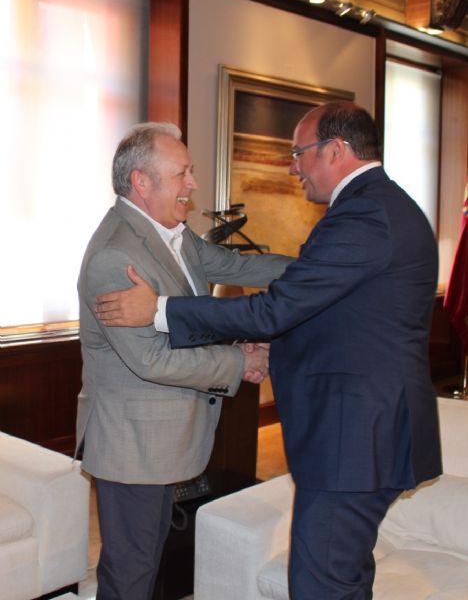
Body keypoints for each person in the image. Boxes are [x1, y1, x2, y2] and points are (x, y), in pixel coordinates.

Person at [95, 102, 442, 599]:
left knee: (324, 582)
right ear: (143, 182)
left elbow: (276, 305)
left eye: (299, 152)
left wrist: (160, 310)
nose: (292, 165)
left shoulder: (364, 215)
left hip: (356, 439)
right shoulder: (379, 206)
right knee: (336, 575)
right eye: (182, 172)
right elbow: (336, 315)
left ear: (336, 150)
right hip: (143, 443)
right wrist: (261, 343)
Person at [77, 121, 291, 600]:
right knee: (129, 574)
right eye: (183, 173)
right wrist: (240, 363)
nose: (192, 184)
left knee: (147, 566)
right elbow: (151, 359)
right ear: (142, 182)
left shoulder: (172, 235)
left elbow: (236, 266)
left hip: (160, 441)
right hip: (132, 446)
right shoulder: (116, 256)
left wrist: (322, 269)